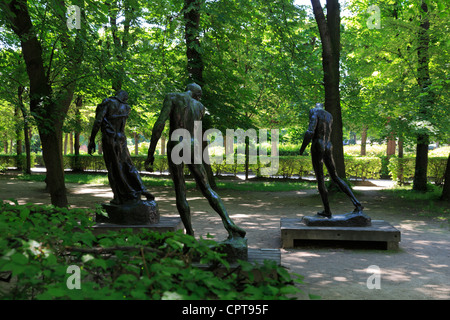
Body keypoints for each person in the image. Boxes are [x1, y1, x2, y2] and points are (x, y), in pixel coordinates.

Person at [145, 83, 246, 239]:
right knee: (206, 187)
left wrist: (150, 153)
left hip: (177, 143)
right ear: (197, 94)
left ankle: (190, 235)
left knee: (180, 190)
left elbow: (160, 124)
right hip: (193, 145)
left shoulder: (172, 97)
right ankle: (228, 222)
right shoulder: (200, 107)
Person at [88, 90, 154, 204]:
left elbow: (98, 121)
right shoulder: (126, 107)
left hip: (110, 139)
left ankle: (119, 197)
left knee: (113, 168)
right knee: (128, 165)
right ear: (124, 98)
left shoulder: (108, 102)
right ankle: (141, 189)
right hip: (121, 138)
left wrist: (92, 139)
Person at [299, 103, 363, 217]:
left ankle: (327, 211)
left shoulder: (314, 111)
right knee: (335, 176)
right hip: (328, 145)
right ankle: (357, 203)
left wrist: (302, 148)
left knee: (320, 179)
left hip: (318, 145)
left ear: (316, 107)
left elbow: (310, 131)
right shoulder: (329, 115)